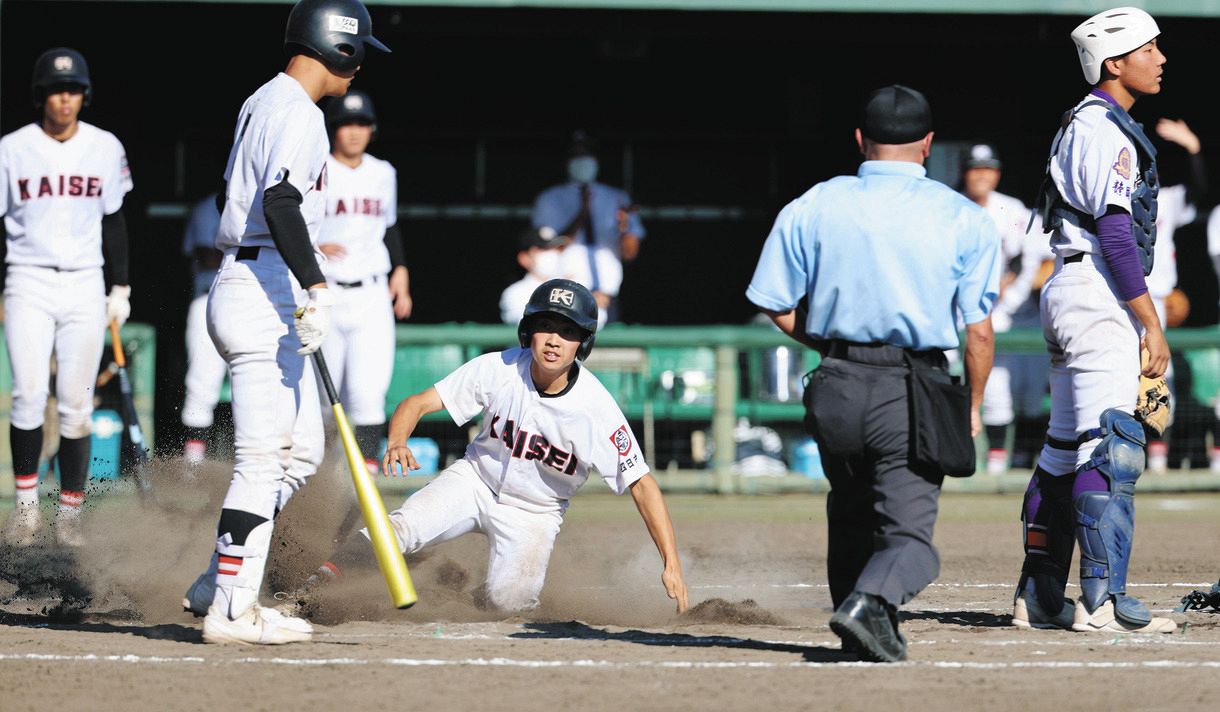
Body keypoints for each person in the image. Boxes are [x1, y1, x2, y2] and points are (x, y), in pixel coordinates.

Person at [746, 85, 1001, 662]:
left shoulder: (813, 203)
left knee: (852, 506)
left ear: (860, 141)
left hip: (834, 380)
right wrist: (974, 403)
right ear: (930, 145)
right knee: (911, 539)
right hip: (909, 387)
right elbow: (978, 331)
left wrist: (829, 342)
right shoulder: (963, 215)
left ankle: (857, 626)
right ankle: (868, 605)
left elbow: (774, 301)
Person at [179, 0, 389, 646]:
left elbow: (229, 196)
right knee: (263, 459)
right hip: (260, 283)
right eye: (358, 57)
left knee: (300, 452)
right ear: (341, 48)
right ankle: (233, 613)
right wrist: (316, 286)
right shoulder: (301, 113)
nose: (358, 74)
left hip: (252, 278)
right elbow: (280, 203)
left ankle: (222, 579)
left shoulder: (262, 99)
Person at [287, 279, 688, 615]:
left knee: (507, 605)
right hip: (474, 481)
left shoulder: (595, 409)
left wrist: (671, 563)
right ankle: (314, 587)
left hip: (534, 512)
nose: (554, 340)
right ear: (528, 330)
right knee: (398, 528)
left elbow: (642, 484)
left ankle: (445, 581)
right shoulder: (498, 368)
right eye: (546, 326)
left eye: (568, 331)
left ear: (582, 342)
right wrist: (396, 441)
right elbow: (417, 403)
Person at [1014, 6, 1175, 634]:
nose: (1160, 59)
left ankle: (1042, 596)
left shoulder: (1085, 122)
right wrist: (1150, 322)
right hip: (1097, 291)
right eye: (1149, 49)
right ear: (1115, 62)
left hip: (1070, 288)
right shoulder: (1106, 127)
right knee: (1113, 449)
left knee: (1063, 451)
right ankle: (1102, 603)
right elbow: (1113, 228)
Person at [0, 47, 133, 547]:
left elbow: (115, 218)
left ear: (84, 95)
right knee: (29, 394)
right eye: (57, 90)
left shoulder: (104, 146)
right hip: (28, 275)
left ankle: (71, 517)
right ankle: (28, 510)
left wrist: (121, 286)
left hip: (84, 280)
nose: (65, 99)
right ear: (41, 95)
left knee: (76, 404)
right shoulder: (13, 148)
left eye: (73, 90)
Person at [317, 89, 411, 474]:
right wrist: (314, 243)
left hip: (372, 289)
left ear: (371, 129)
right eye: (345, 124)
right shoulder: (315, 167)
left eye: (361, 124)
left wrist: (401, 270)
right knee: (324, 397)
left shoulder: (383, 172)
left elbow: (388, 226)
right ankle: (319, 469)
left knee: (369, 391)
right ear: (333, 130)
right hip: (325, 287)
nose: (354, 132)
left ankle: (368, 471)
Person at [959, 144, 1053, 475]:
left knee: (1030, 395)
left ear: (997, 173)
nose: (982, 174)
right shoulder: (953, 209)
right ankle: (995, 464)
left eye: (988, 168)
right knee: (994, 391)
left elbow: (1032, 262)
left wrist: (1008, 298)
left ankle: (1024, 460)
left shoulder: (1013, 211)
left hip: (1018, 315)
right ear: (965, 173)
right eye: (975, 168)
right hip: (970, 314)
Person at [1143, 117, 1205, 472]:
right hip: (1119, 298)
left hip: (1157, 299)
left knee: (1157, 378)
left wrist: (1193, 147)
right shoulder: (1115, 195)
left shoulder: (1164, 199)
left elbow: (1198, 189)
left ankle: (1158, 458)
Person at [532, 131, 643, 323]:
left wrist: (624, 228)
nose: (582, 160)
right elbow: (549, 248)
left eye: (587, 154)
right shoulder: (550, 198)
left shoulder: (616, 197)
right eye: (576, 155)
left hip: (606, 296)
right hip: (565, 293)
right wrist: (583, 210)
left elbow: (630, 254)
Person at [178, 191, 227, 465]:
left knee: (259, 388)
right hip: (208, 297)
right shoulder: (207, 207)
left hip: (254, 304)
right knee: (201, 384)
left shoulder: (266, 201)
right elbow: (204, 254)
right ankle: (192, 466)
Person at [498, 225, 572, 325]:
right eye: (541, 250)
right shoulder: (514, 293)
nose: (551, 254)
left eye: (555, 248)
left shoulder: (573, 287)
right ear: (524, 258)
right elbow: (528, 323)